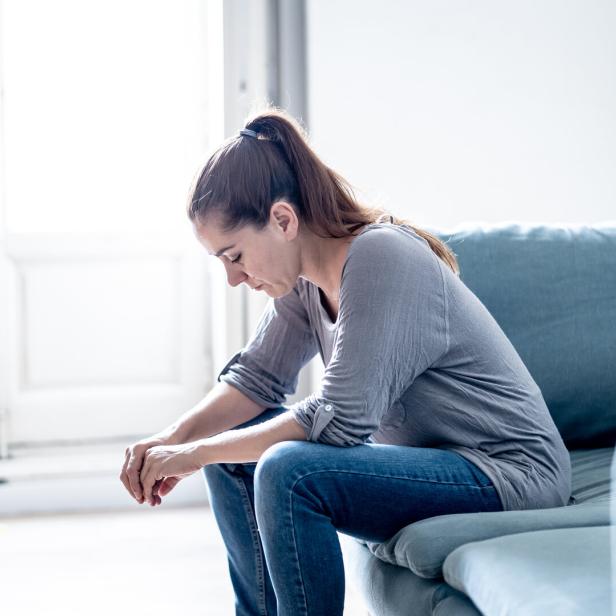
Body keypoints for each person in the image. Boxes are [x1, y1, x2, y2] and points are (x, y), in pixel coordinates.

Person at [119, 106, 572, 616]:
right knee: (232, 461)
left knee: (288, 470)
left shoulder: (382, 256)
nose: (233, 278)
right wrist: (172, 440)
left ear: (283, 220)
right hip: (443, 465)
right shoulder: (303, 283)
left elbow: (340, 422)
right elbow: (254, 382)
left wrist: (195, 454)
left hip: (508, 473)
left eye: (235, 256)